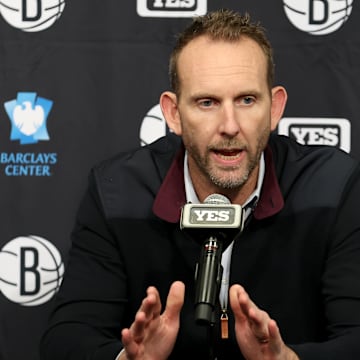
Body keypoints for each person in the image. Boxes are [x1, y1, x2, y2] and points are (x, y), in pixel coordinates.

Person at [40, 8, 360, 360]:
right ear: (173, 114)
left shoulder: (333, 187)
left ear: (275, 108)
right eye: (207, 103)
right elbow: (65, 340)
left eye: (247, 100)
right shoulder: (118, 191)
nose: (229, 125)